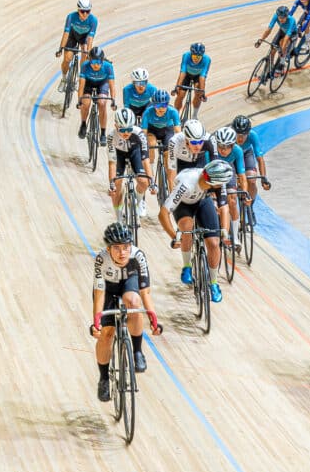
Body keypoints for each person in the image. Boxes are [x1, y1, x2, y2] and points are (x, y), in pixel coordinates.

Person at [91, 222, 162, 402]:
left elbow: (145, 293)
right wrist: (96, 324)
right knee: (106, 334)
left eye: (126, 247)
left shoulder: (138, 256)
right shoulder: (101, 259)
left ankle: (137, 351)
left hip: (129, 282)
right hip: (108, 288)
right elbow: (99, 294)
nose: (122, 252)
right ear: (108, 248)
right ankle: (104, 379)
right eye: (117, 248)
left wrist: (154, 320)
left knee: (134, 302)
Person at [159, 160, 234, 303]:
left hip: (202, 200)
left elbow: (224, 208)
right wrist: (174, 236)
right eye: (220, 184)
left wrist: (224, 231)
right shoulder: (186, 184)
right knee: (187, 227)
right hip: (183, 204)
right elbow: (163, 213)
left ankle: (213, 283)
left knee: (214, 243)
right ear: (213, 182)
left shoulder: (217, 181)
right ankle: (187, 267)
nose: (221, 186)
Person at [108, 108, 153, 220]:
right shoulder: (111, 136)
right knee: (116, 184)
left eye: (129, 129)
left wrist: (152, 181)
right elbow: (112, 163)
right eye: (122, 130)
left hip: (134, 152)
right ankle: (118, 217)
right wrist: (111, 184)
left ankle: (137, 202)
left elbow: (145, 159)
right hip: (119, 155)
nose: (126, 133)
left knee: (144, 182)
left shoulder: (139, 133)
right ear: (116, 126)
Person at [205, 126, 248, 223]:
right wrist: (212, 193)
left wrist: (245, 193)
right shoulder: (210, 150)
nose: (223, 150)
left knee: (232, 201)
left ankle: (235, 231)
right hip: (213, 171)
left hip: (228, 169)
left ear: (233, 145)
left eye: (227, 146)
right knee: (213, 202)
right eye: (220, 146)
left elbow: (242, 176)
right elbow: (206, 174)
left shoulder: (237, 150)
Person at [76, 46, 116, 144]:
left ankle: (103, 133)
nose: (96, 65)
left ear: (102, 61)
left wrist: (113, 101)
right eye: (93, 62)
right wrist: (79, 100)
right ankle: (83, 123)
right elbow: (81, 85)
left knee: (102, 103)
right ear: (89, 60)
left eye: (98, 62)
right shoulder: (85, 66)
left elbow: (112, 86)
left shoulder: (108, 66)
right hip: (88, 83)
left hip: (102, 84)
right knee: (86, 103)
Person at [56, 0, 97, 90]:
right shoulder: (71, 16)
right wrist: (61, 48)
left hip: (84, 38)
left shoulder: (93, 20)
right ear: (78, 10)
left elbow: (90, 39)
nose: (85, 14)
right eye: (82, 11)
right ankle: (64, 79)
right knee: (67, 59)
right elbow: (66, 33)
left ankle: (79, 79)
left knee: (85, 52)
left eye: (87, 11)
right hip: (72, 36)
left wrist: (88, 53)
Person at [232, 115, 272, 201]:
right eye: (238, 134)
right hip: (232, 157)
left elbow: (260, 159)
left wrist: (263, 178)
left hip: (246, 154)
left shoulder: (253, 135)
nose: (240, 138)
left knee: (252, 181)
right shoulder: (229, 137)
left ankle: (250, 205)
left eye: (244, 135)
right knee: (234, 182)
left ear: (248, 133)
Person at [141, 89, 182, 167]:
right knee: (151, 144)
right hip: (152, 130)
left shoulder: (173, 111)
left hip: (167, 130)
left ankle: (166, 172)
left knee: (168, 154)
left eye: (164, 105)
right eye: (158, 105)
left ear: (168, 104)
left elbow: (178, 131)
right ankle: (151, 168)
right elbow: (144, 132)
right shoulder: (147, 112)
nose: (161, 108)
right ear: (153, 105)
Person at [165, 119, 208, 189]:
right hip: (181, 162)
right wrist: (173, 191)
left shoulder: (208, 138)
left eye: (200, 142)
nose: (197, 146)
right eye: (194, 142)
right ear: (186, 140)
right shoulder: (174, 142)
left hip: (199, 159)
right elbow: (172, 170)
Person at [254, 6, 297, 73]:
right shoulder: (275, 16)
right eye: (279, 17)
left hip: (292, 34)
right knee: (272, 49)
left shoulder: (291, 20)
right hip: (282, 31)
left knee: (282, 45)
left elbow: (286, 38)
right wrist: (260, 40)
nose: (281, 19)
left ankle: (282, 62)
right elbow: (268, 30)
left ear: (287, 16)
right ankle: (271, 67)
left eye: (283, 18)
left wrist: (282, 50)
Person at [173, 43, 210, 116]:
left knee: (198, 94)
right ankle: (175, 116)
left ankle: (194, 115)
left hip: (198, 76)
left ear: (202, 55)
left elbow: (202, 76)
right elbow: (183, 72)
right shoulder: (186, 56)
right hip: (187, 75)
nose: (196, 59)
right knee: (180, 95)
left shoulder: (207, 60)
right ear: (191, 54)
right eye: (194, 56)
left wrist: (202, 92)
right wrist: (177, 86)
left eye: (199, 57)